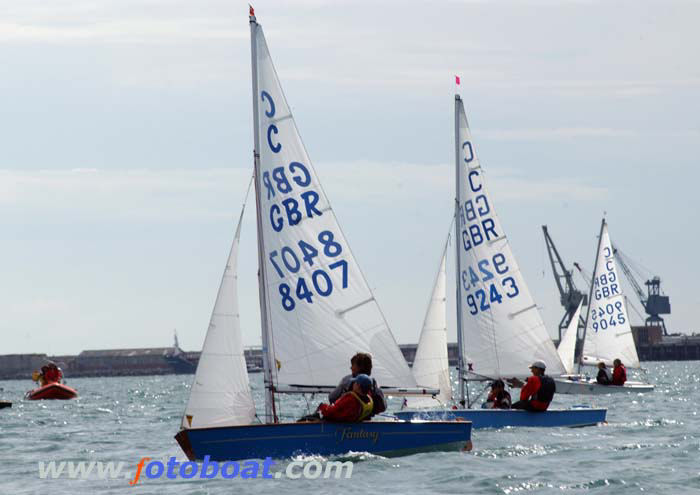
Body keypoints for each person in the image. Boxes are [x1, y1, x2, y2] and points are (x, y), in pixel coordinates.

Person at [302, 374, 374, 423]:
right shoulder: (369, 400)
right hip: (352, 424)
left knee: (304, 419)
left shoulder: (351, 398)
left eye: (355, 382)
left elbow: (332, 411)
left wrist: (322, 407)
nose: (353, 384)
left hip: (337, 424)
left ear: (358, 386)